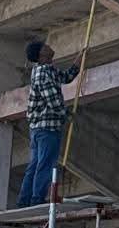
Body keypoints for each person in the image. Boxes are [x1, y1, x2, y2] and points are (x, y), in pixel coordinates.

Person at [16, 40, 80, 208]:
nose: (49, 46)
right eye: (45, 46)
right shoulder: (43, 74)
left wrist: (77, 63)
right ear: (41, 54)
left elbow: (65, 78)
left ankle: (25, 200)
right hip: (47, 128)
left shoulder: (45, 71)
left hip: (39, 128)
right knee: (45, 163)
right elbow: (52, 100)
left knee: (36, 163)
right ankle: (36, 198)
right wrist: (66, 114)